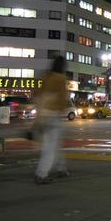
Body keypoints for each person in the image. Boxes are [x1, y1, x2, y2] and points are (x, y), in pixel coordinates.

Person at [34, 56, 69, 184]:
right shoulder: (61, 78)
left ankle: (61, 168)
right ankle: (41, 174)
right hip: (53, 115)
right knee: (51, 146)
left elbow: (37, 94)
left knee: (55, 143)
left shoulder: (45, 76)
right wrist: (62, 109)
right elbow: (62, 98)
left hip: (43, 114)